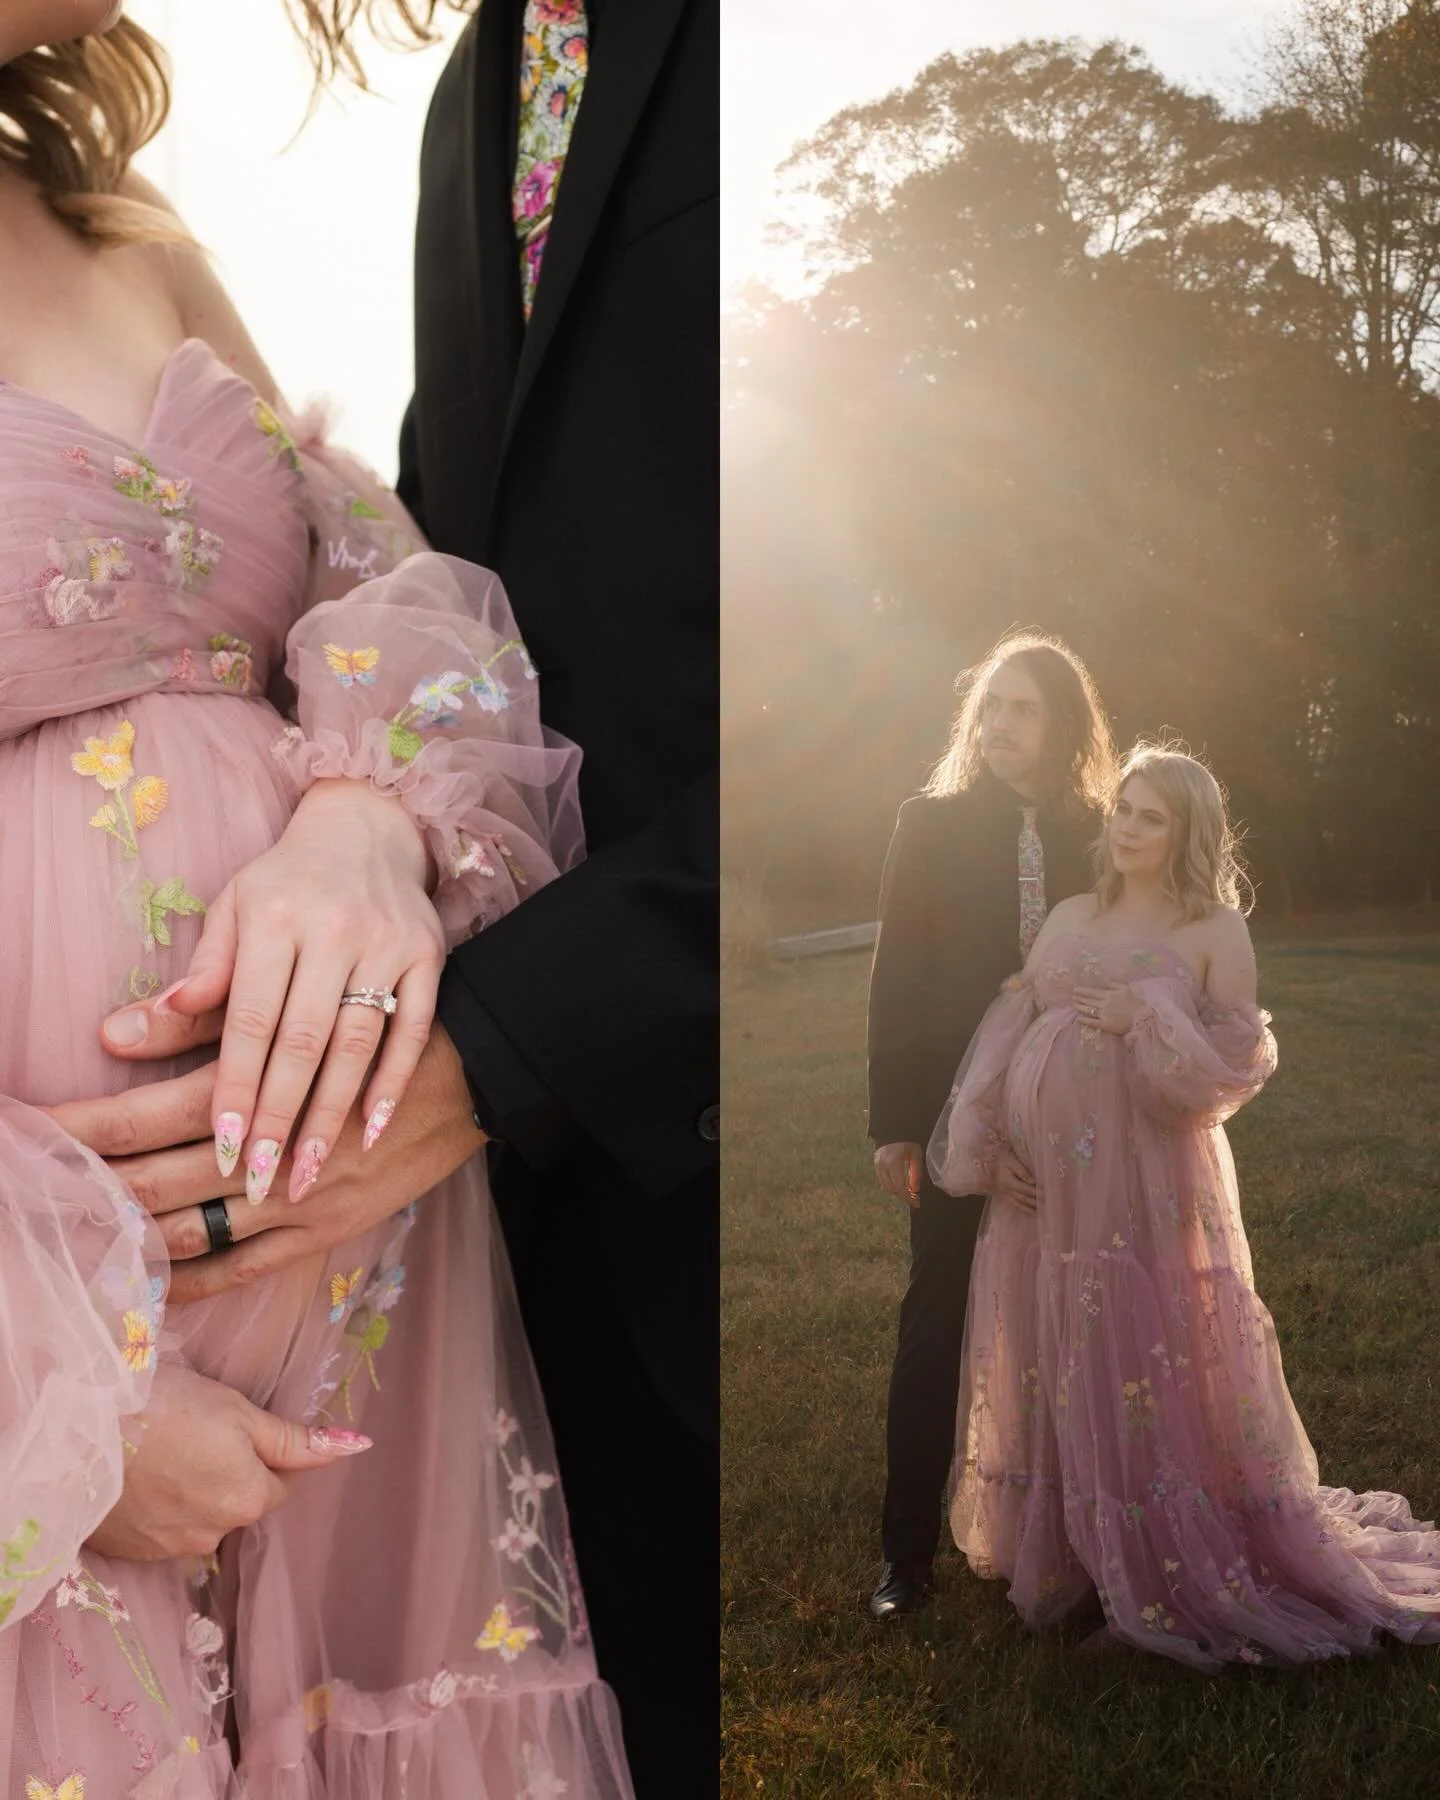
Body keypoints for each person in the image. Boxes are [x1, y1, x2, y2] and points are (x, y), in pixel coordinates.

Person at [50, 2, 719, 1793]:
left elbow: (399, 570)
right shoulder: (477, 99)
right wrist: (49, 1401)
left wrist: (368, 817)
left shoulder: (132, 232)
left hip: (396, 1294)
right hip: (76, 1375)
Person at [928, 744, 1440, 1664]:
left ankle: (1157, 1568)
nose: (1127, 827)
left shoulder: (1214, 930)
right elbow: (1009, 1030)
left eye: (1151, 816)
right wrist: (991, 1148)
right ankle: (1074, 1554)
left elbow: (1232, 1067)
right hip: (1044, 1196)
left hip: (1143, 1188)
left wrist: (1149, 1017)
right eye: (1123, 808)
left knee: (1133, 1350)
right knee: (1053, 1346)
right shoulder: (1071, 913)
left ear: (1187, 831)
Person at [865, 631, 1115, 1621]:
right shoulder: (929, 824)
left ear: (1065, 727)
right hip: (953, 1112)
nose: (1000, 724)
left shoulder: (1099, 831)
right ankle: (905, 1556)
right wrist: (896, 1123)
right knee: (934, 1319)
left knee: (1072, 1320)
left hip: (1069, 1110)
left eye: (1024, 709)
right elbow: (896, 975)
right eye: (992, 706)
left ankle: (1079, 1542)